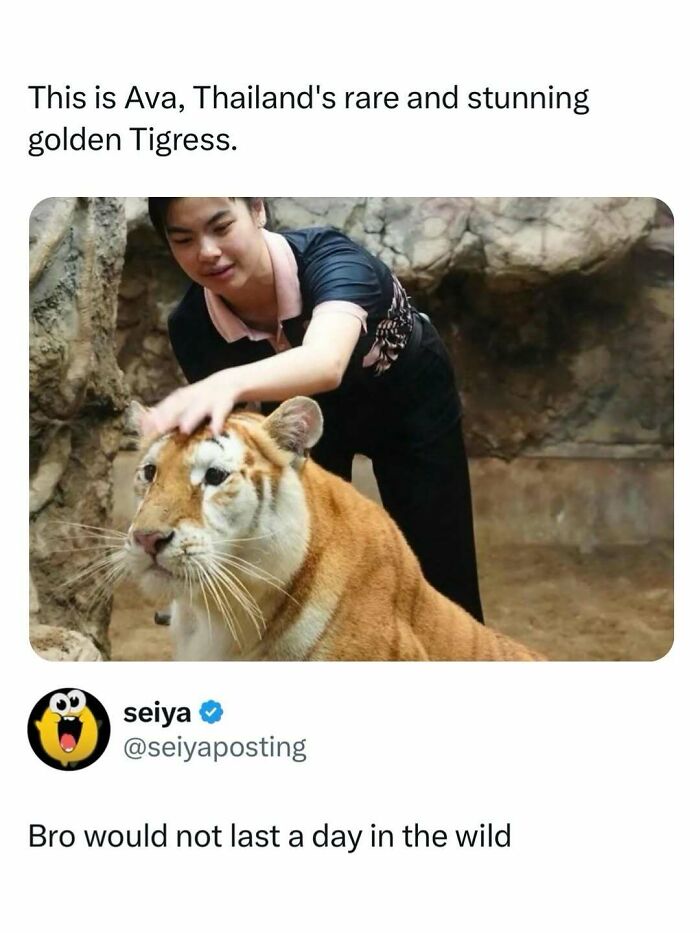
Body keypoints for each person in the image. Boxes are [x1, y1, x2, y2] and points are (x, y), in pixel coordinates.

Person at [144, 197, 484, 623]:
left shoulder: (335, 260)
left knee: (441, 568)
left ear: (257, 210)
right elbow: (234, 450)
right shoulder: (193, 324)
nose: (207, 251)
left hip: (409, 397)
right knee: (314, 562)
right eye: (183, 239)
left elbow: (326, 362)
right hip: (302, 418)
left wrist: (225, 382)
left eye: (222, 226)